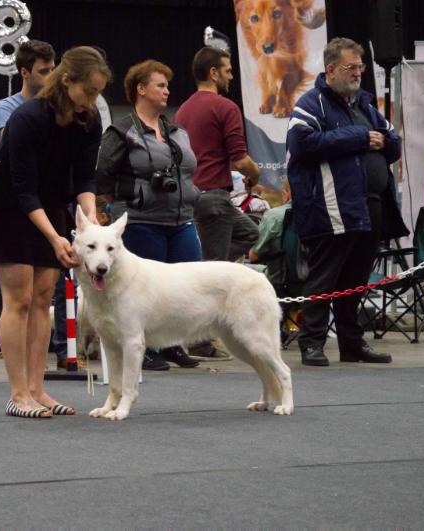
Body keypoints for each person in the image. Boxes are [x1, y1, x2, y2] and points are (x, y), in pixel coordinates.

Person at [0, 46, 110, 418]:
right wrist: (54, 237)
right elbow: (22, 188)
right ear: (67, 81)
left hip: (48, 201)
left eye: (99, 92)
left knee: (44, 297)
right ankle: (18, 393)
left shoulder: (89, 118)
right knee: (19, 296)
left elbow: (84, 176)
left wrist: (89, 225)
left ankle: (37, 389)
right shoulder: (28, 118)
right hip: (5, 205)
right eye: (90, 91)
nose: (93, 100)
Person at [286, 37, 408, 367]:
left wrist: (385, 141)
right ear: (330, 70)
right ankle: (311, 342)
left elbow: (391, 140)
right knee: (325, 276)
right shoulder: (312, 104)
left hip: (370, 204)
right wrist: (359, 138)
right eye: (350, 67)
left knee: (355, 278)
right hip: (331, 206)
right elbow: (301, 142)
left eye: (360, 67)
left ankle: (351, 343)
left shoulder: (365, 106)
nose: (357, 73)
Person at [95, 59, 202, 371]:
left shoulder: (176, 131)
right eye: (160, 85)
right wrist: (110, 209)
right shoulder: (121, 131)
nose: (167, 90)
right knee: (143, 293)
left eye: (167, 85)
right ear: (141, 89)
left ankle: (172, 344)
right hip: (141, 221)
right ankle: (147, 348)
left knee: (183, 288)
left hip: (180, 220)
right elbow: (102, 176)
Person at [174, 46, 261, 361]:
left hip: (191, 198)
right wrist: (257, 172)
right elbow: (240, 158)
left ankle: (196, 334)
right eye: (227, 70)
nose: (231, 75)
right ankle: (198, 340)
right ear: (213, 73)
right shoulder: (225, 107)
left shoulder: (182, 111)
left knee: (251, 235)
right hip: (215, 198)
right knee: (211, 273)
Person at [0, 40, 56, 134]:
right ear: (24, 73)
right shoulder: (7, 107)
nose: (51, 76)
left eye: (53, 70)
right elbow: (14, 143)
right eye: (44, 71)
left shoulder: (57, 103)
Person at [248, 176, 292, 284]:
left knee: (239, 267)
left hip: (278, 280)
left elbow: (253, 256)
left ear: (286, 193)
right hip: (313, 280)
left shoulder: (274, 216)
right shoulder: (319, 214)